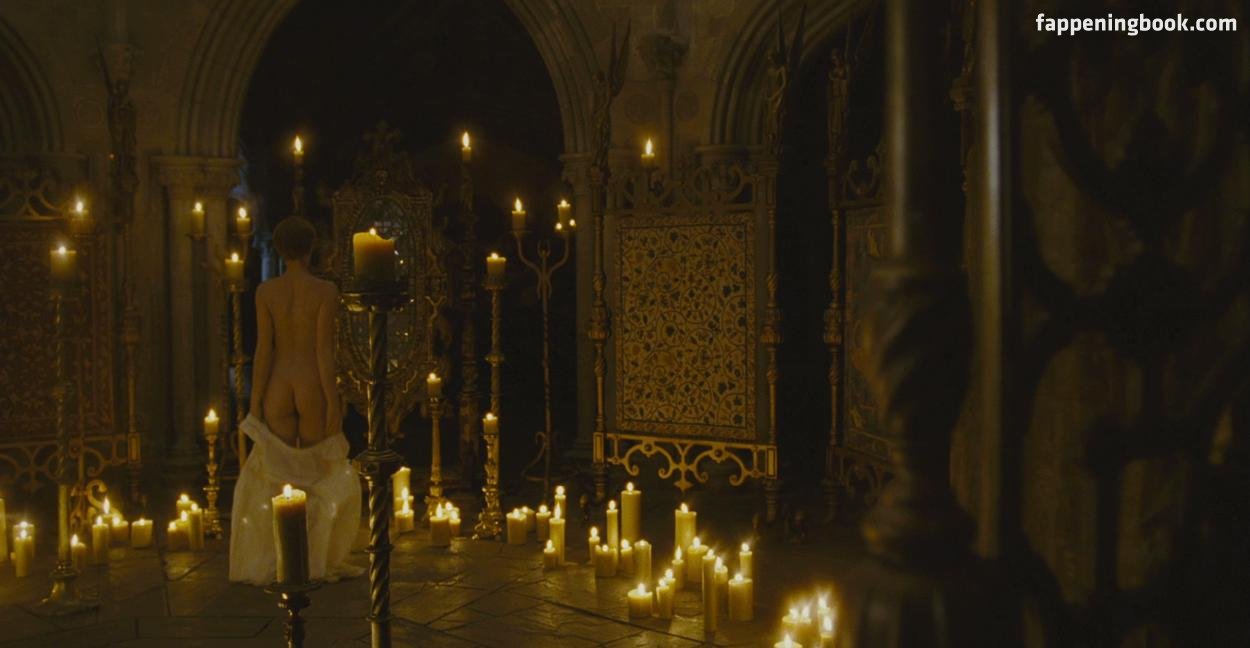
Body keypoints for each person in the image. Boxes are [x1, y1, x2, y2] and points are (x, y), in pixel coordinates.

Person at [229, 216, 362, 585]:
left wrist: (256, 400)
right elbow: (322, 351)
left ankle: (284, 559)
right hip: (310, 384)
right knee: (318, 478)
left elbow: (264, 349)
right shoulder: (324, 291)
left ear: (279, 249)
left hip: (277, 385)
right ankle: (313, 559)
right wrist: (332, 399)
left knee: (281, 481)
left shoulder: (265, 292)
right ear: (311, 247)